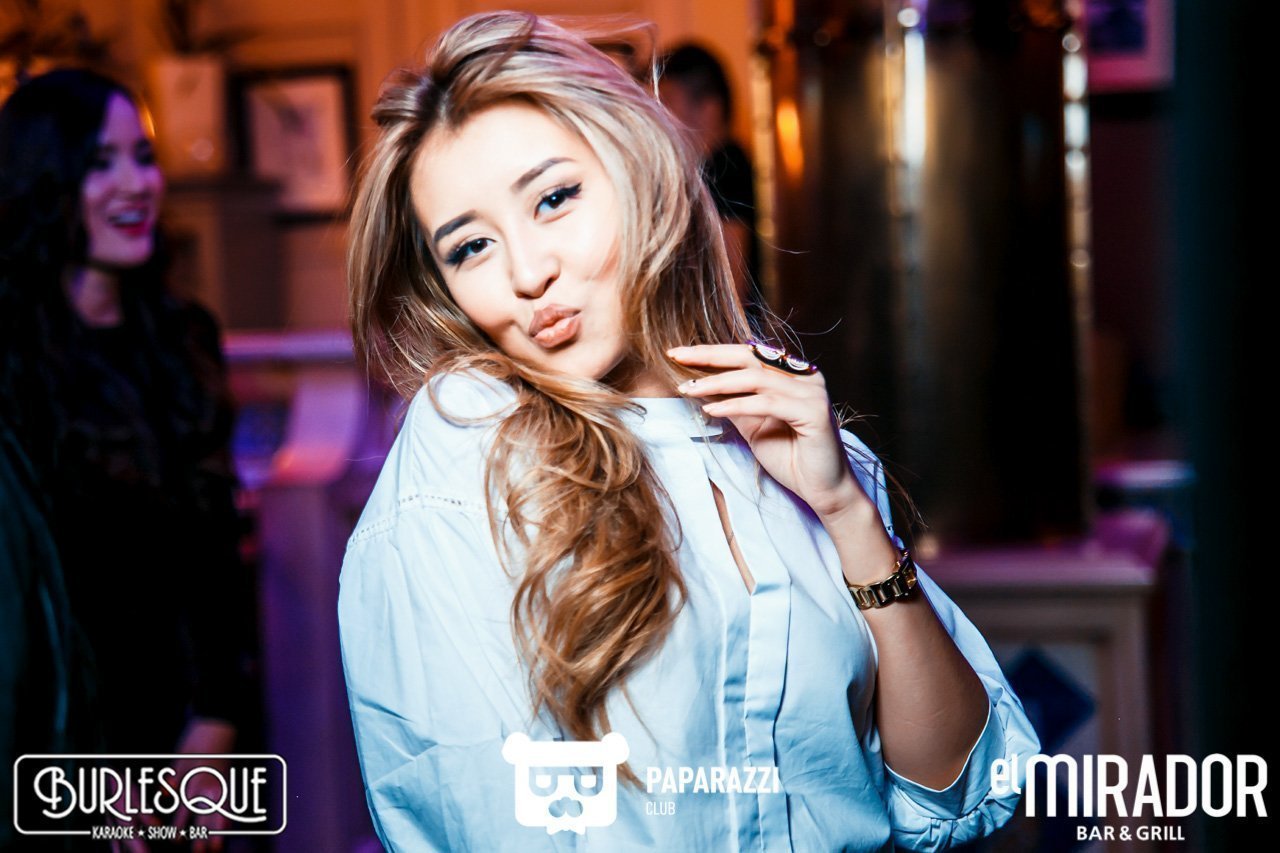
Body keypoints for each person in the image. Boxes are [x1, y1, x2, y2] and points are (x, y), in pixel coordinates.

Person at [339, 11, 1039, 852]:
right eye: (471, 247)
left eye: (555, 199)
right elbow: (478, 817)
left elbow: (956, 790)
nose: (527, 272)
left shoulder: (798, 445)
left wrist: (847, 513)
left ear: (639, 172)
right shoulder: (470, 451)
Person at [0, 68, 256, 850]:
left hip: (185, 723)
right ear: (45, 180)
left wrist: (216, 721)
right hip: (57, 736)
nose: (135, 184)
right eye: (99, 162)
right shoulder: (12, 358)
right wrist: (87, 770)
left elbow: (218, 551)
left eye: (143, 157)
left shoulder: (183, 336)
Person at [659, 41, 766, 336]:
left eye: (667, 101)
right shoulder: (719, 166)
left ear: (708, 108)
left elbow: (731, 280)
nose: (659, 115)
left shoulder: (725, 166)